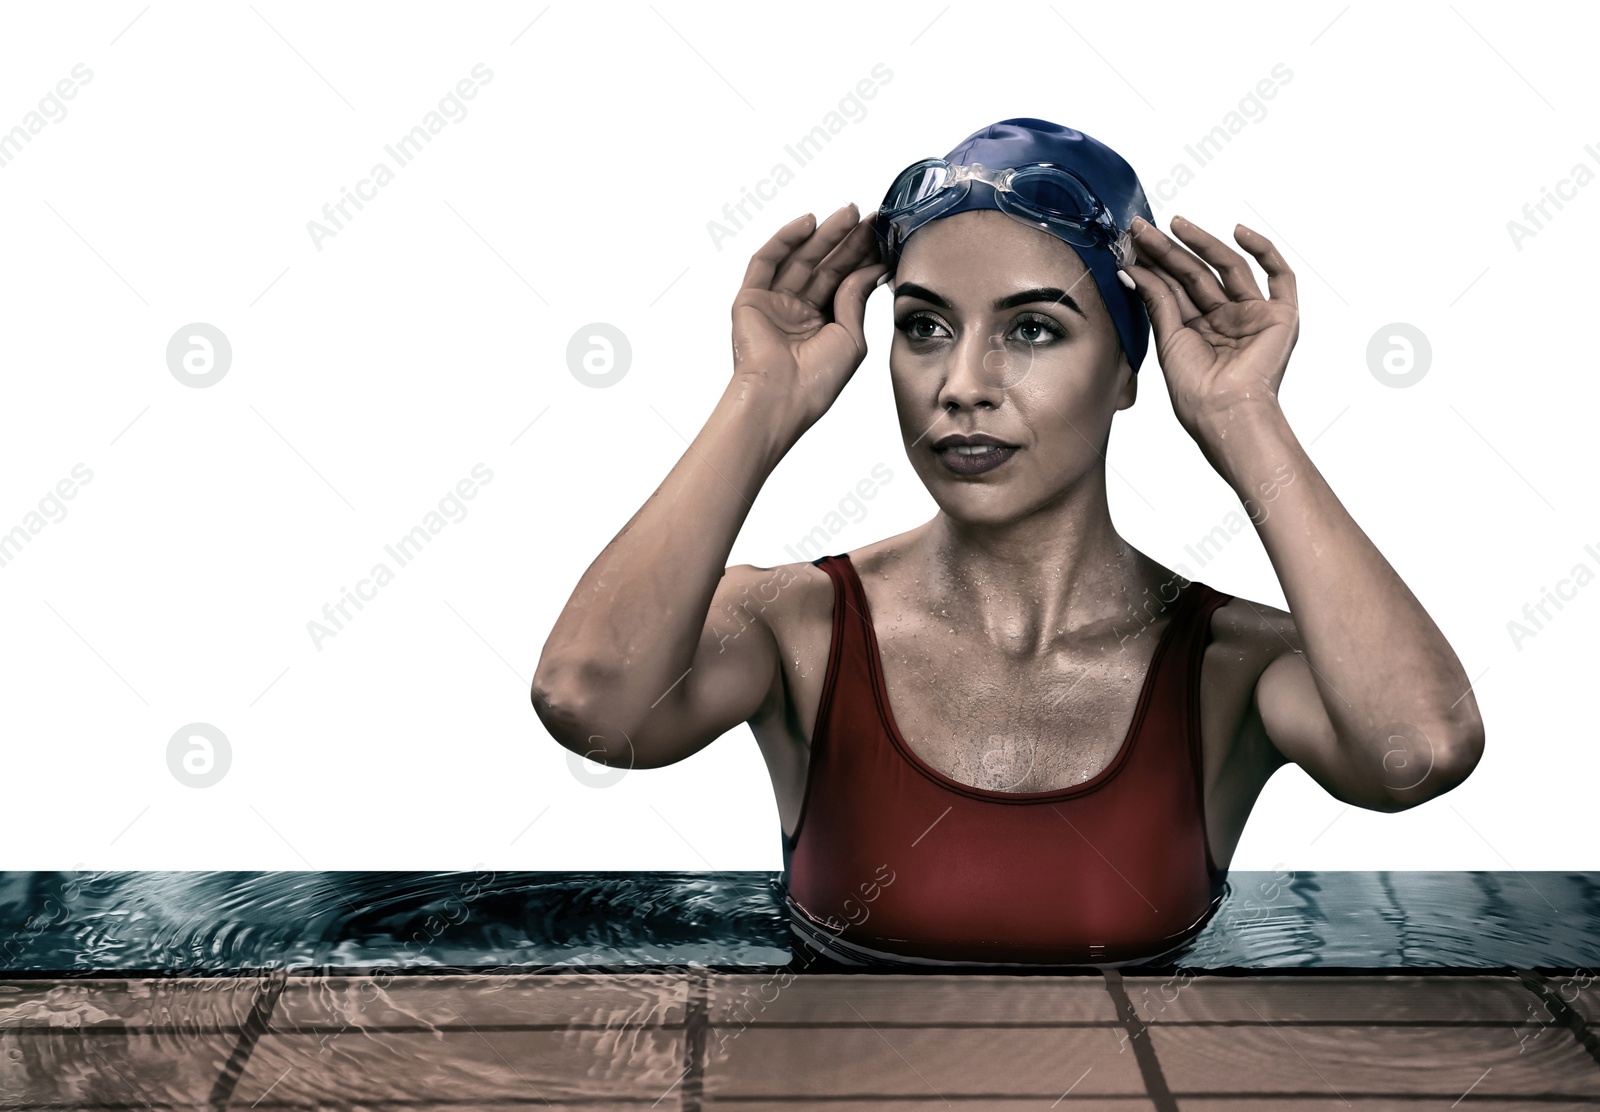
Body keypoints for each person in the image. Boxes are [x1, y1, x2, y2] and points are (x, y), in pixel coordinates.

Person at [531, 118, 1485, 969]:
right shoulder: (796, 626)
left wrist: (1244, 419)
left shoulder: (1228, 667)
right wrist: (761, 400)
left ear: (1126, 368)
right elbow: (588, 702)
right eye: (924, 328)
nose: (963, 382)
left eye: (1032, 328)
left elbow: (1422, 749)